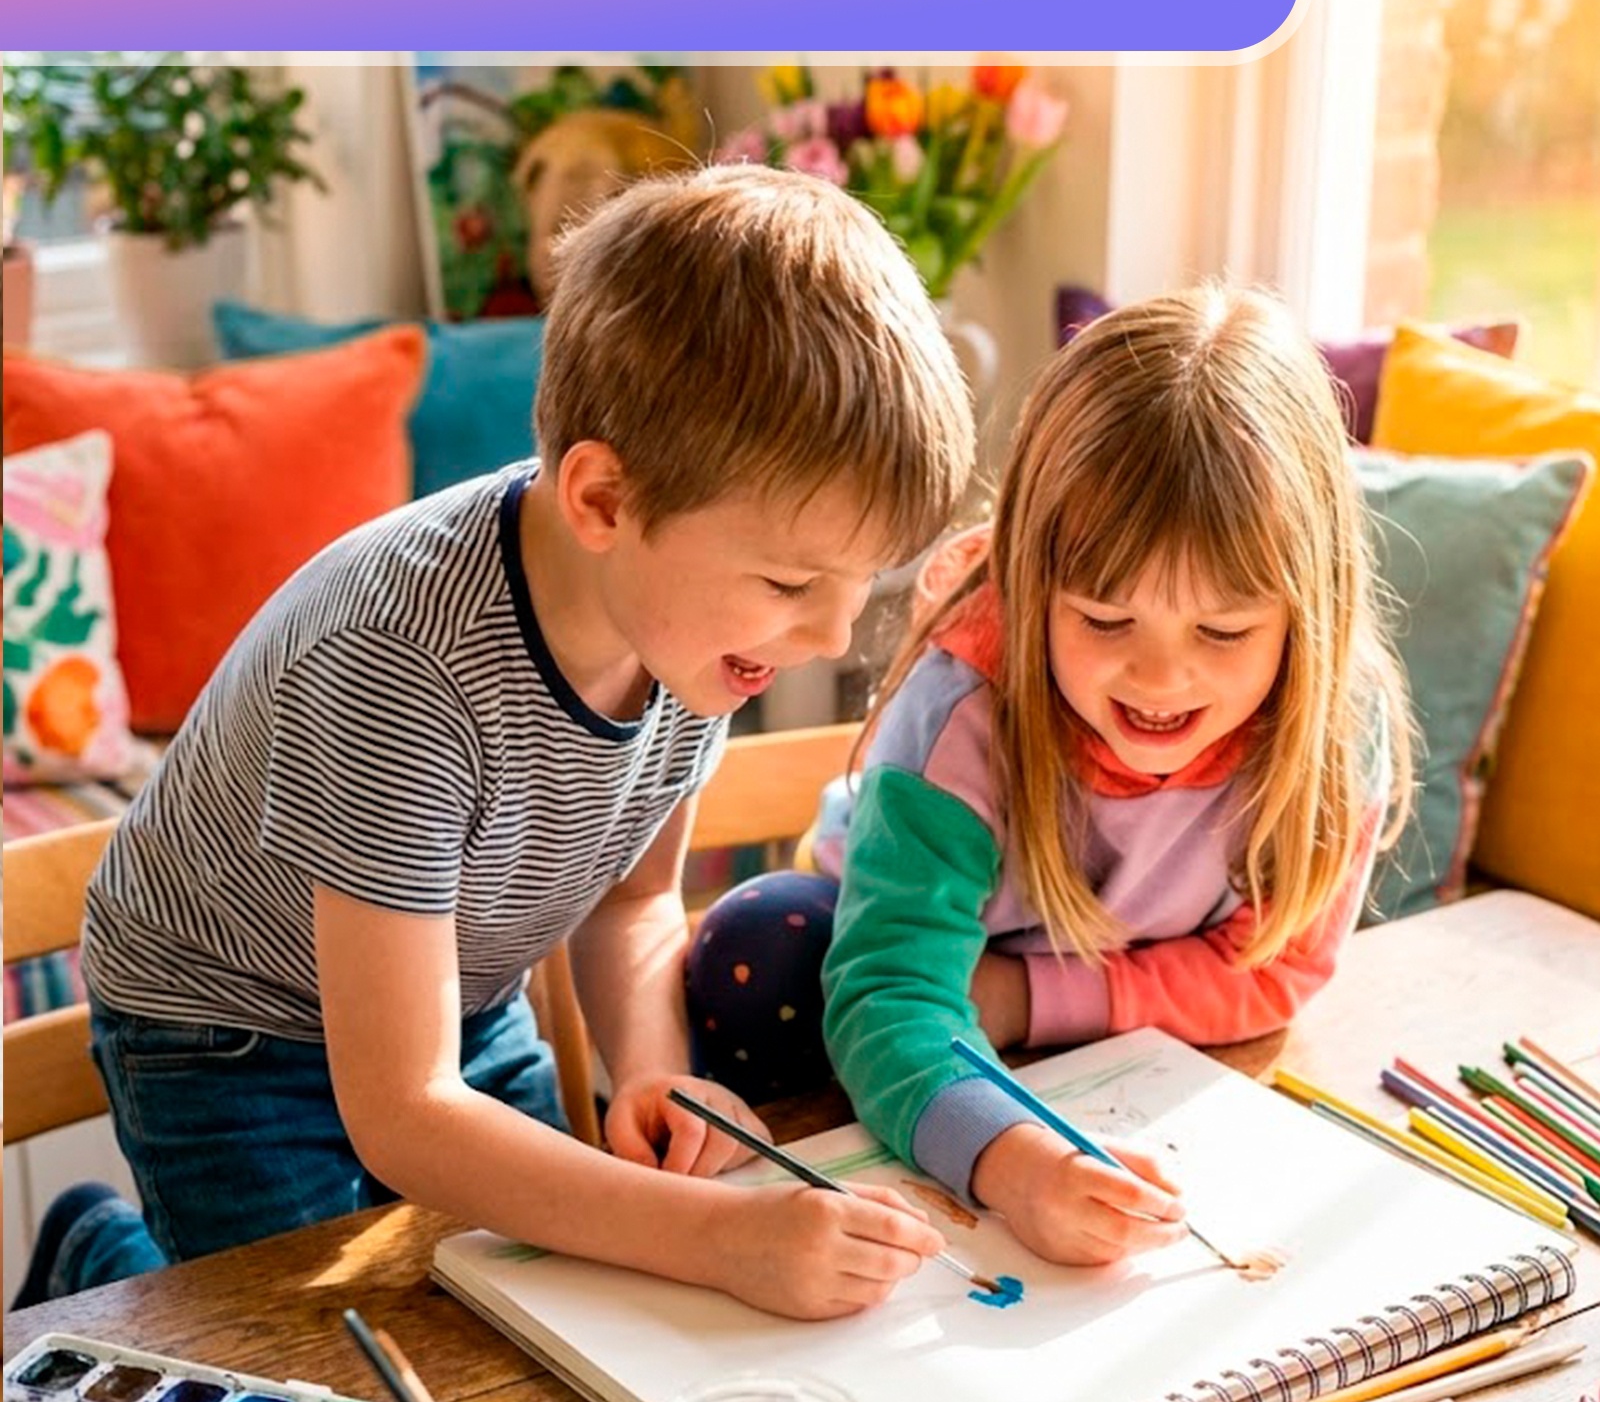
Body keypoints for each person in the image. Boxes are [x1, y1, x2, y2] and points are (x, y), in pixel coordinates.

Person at [43, 165, 974, 1323]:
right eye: (791, 583)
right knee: (309, 1348)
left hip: (453, 995)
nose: (832, 635)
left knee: (531, 1306)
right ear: (601, 502)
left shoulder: (695, 628)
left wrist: (649, 1067)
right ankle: (97, 1260)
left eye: (856, 586)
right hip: (230, 1029)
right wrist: (721, 1237)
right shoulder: (399, 665)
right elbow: (406, 1114)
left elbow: (633, 901)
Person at [689, 284, 1413, 1267]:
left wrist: (1023, 999)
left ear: (1308, 613)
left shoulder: (1337, 720)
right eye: (1104, 621)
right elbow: (894, 995)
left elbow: (1277, 971)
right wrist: (1017, 1166)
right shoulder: (965, 716)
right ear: (1031, 586)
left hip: (1035, 998)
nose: (1159, 678)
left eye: (1223, 630)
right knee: (762, 949)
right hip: (905, 959)